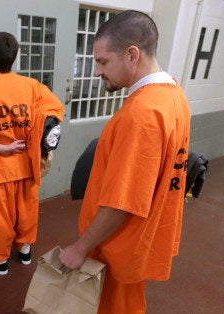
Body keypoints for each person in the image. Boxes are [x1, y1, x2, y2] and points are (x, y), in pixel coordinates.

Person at [59, 10, 191, 313]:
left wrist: (80, 249)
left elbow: (123, 202)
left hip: (117, 247)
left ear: (132, 55)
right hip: (141, 240)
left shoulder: (142, 114)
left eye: (103, 61)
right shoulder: (173, 94)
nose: (96, 72)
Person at [0, 32, 64, 274]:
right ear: (14, 58)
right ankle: (25, 250)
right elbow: (55, 113)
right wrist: (33, 136)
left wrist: (2, 148)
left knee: (1, 217)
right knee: (27, 210)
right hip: (27, 165)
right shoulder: (32, 86)